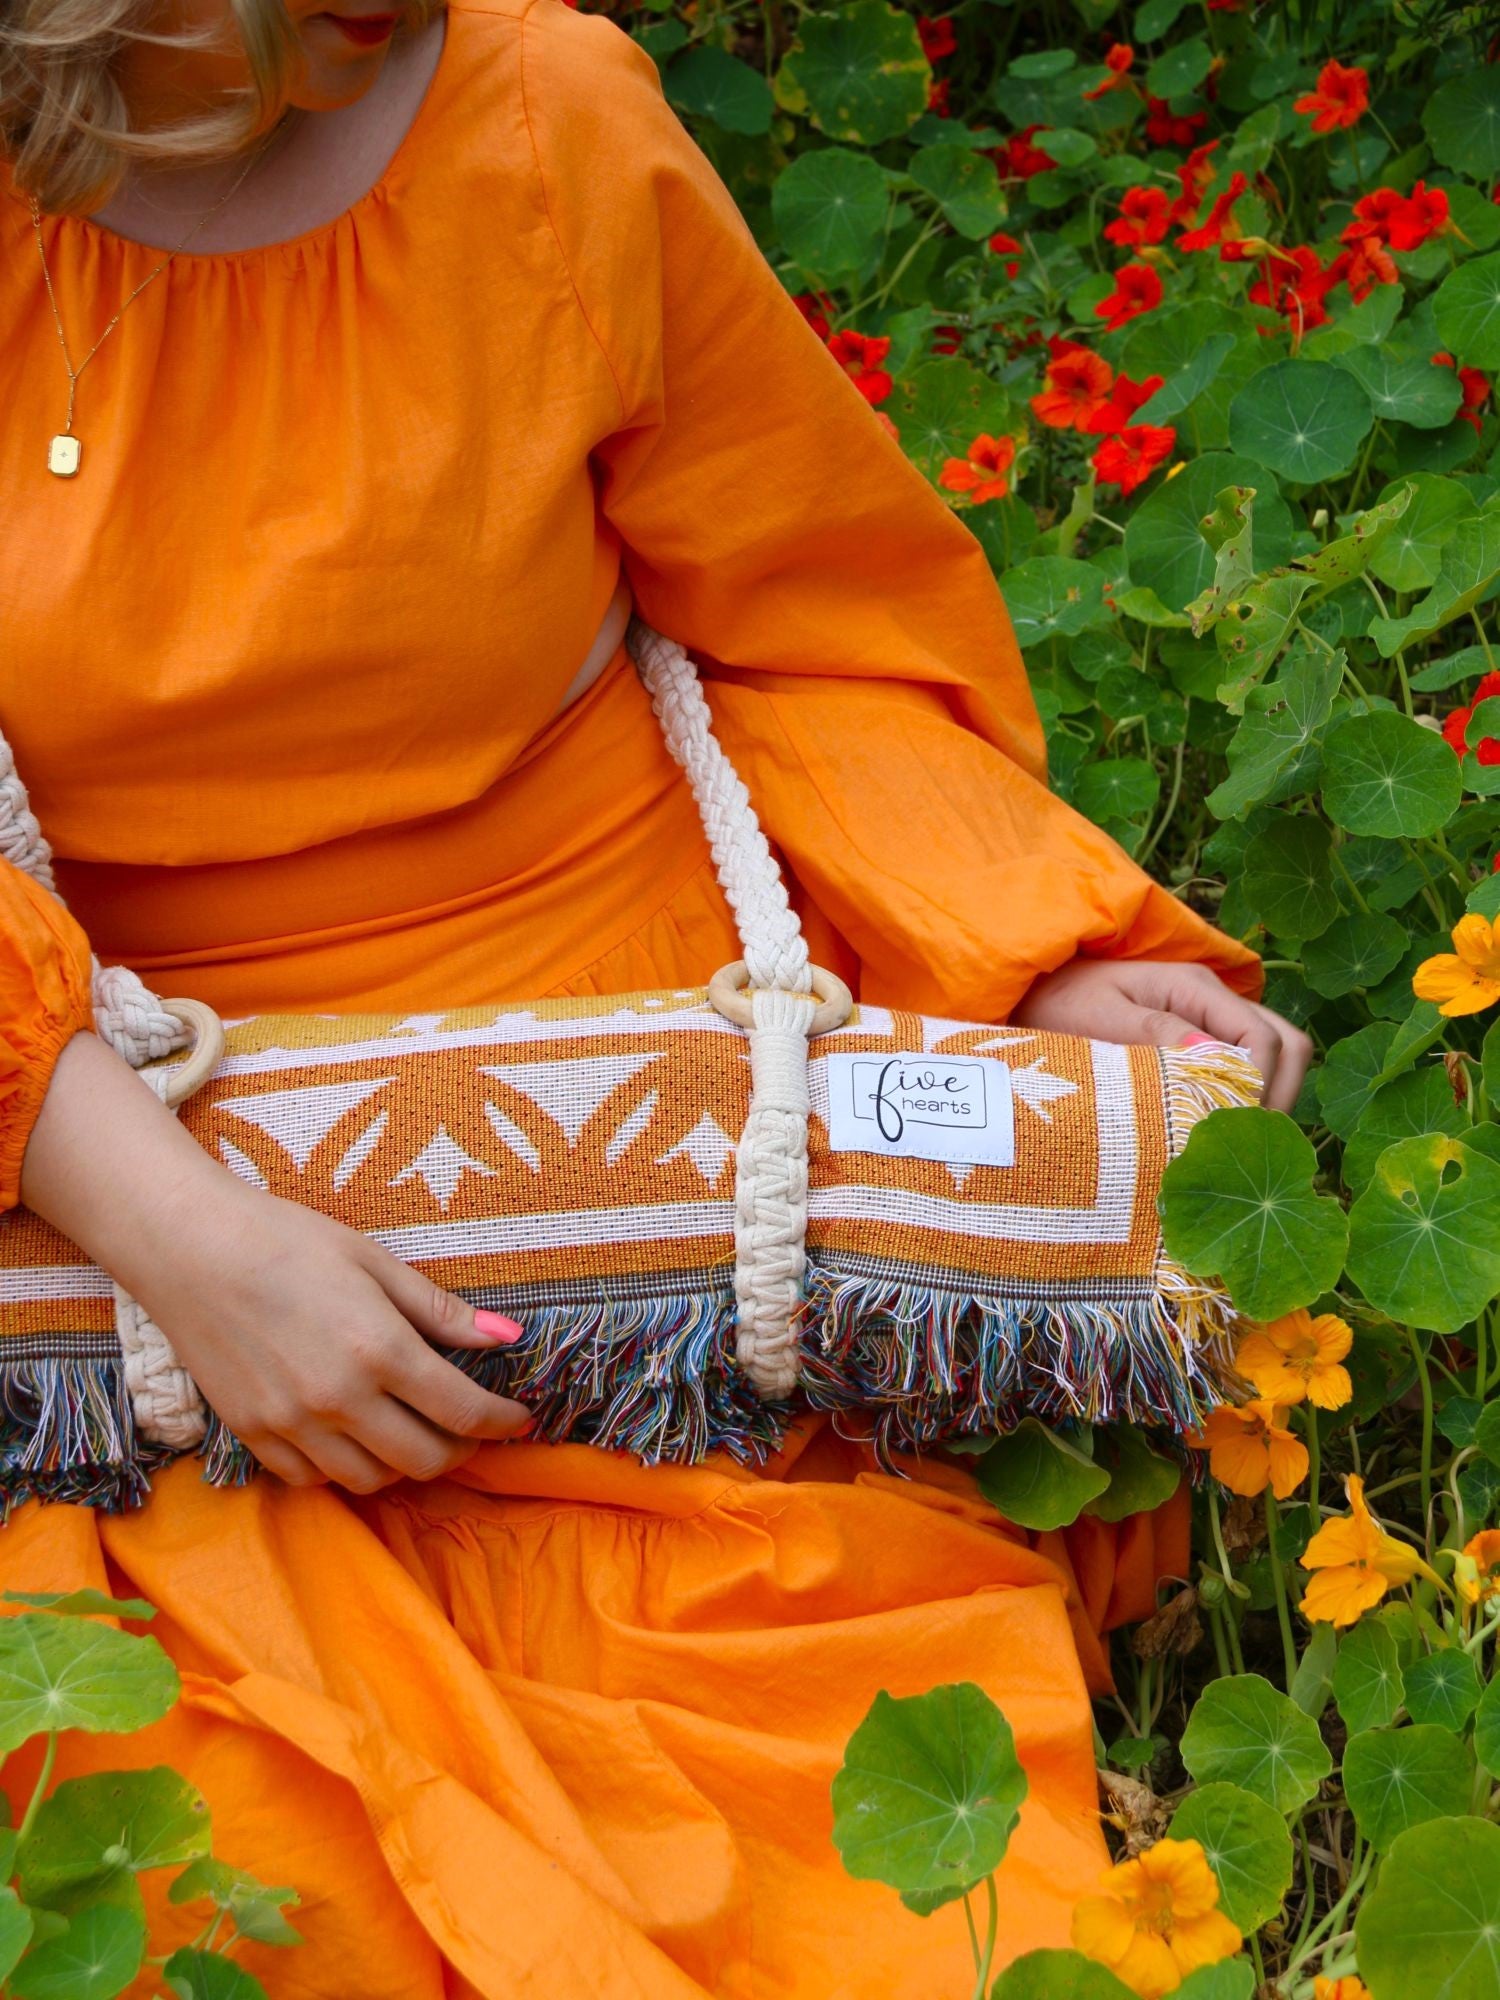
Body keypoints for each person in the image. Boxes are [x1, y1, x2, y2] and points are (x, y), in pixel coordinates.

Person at [0, 2, 1311, 1992]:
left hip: (656, 1154)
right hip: (99, 1121)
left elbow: (808, 619)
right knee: (227, 1872)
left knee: (849, 1869)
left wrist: (1025, 944)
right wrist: (185, 1238)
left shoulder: (547, 114)